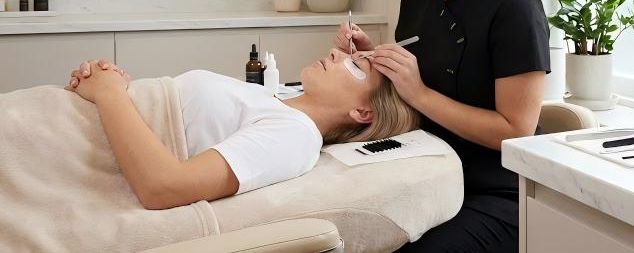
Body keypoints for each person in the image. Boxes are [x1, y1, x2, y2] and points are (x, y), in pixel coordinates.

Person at [335, 0, 550, 252]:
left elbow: (515, 130)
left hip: (499, 190)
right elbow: (420, 70)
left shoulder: (515, 5)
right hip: (428, 170)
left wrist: (420, 93)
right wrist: (373, 59)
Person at [65, 49, 419, 210]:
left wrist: (110, 95)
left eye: (356, 65)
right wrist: (121, 86)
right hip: (70, 119)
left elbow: (163, 187)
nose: (336, 54)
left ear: (362, 112)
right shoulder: (275, 100)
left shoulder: (296, 136)